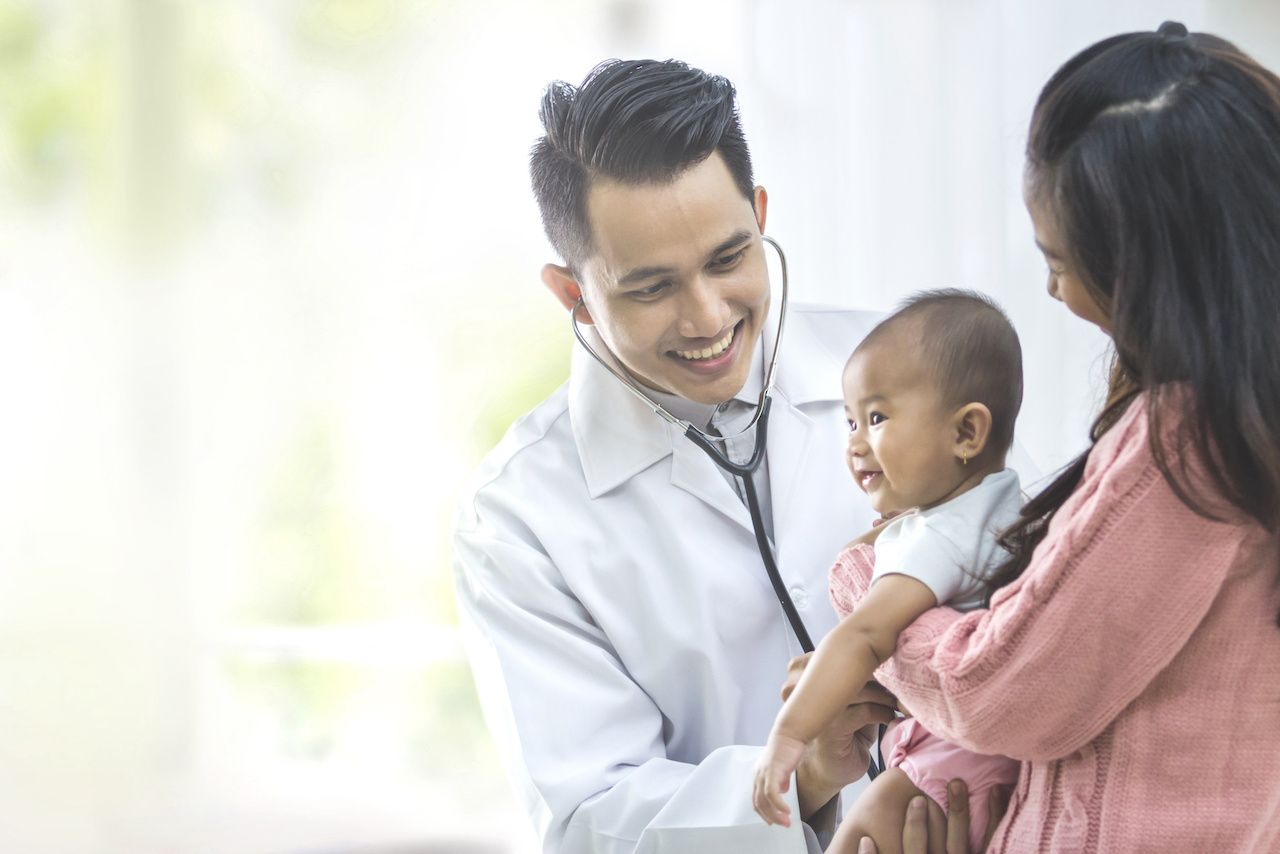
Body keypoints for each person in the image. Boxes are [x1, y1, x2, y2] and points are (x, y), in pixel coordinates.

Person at [453, 59, 998, 853]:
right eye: (651, 288)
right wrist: (803, 775)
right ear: (572, 295)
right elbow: (590, 820)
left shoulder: (909, 369)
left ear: (761, 217)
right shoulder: (518, 518)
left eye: (727, 260)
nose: (707, 317)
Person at [822, 23, 1280, 852]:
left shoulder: (1189, 442)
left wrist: (869, 586)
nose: (1052, 286)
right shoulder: (1252, 426)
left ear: (1150, 268)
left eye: (1062, 260)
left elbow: (1006, 690)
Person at [753, 291, 1022, 854]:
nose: (853, 443)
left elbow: (864, 635)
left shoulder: (937, 535)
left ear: (967, 433)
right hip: (993, 762)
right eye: (850, 420)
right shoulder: (1007, 501)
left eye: (875, 418)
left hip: (950, 767)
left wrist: (788, 738)